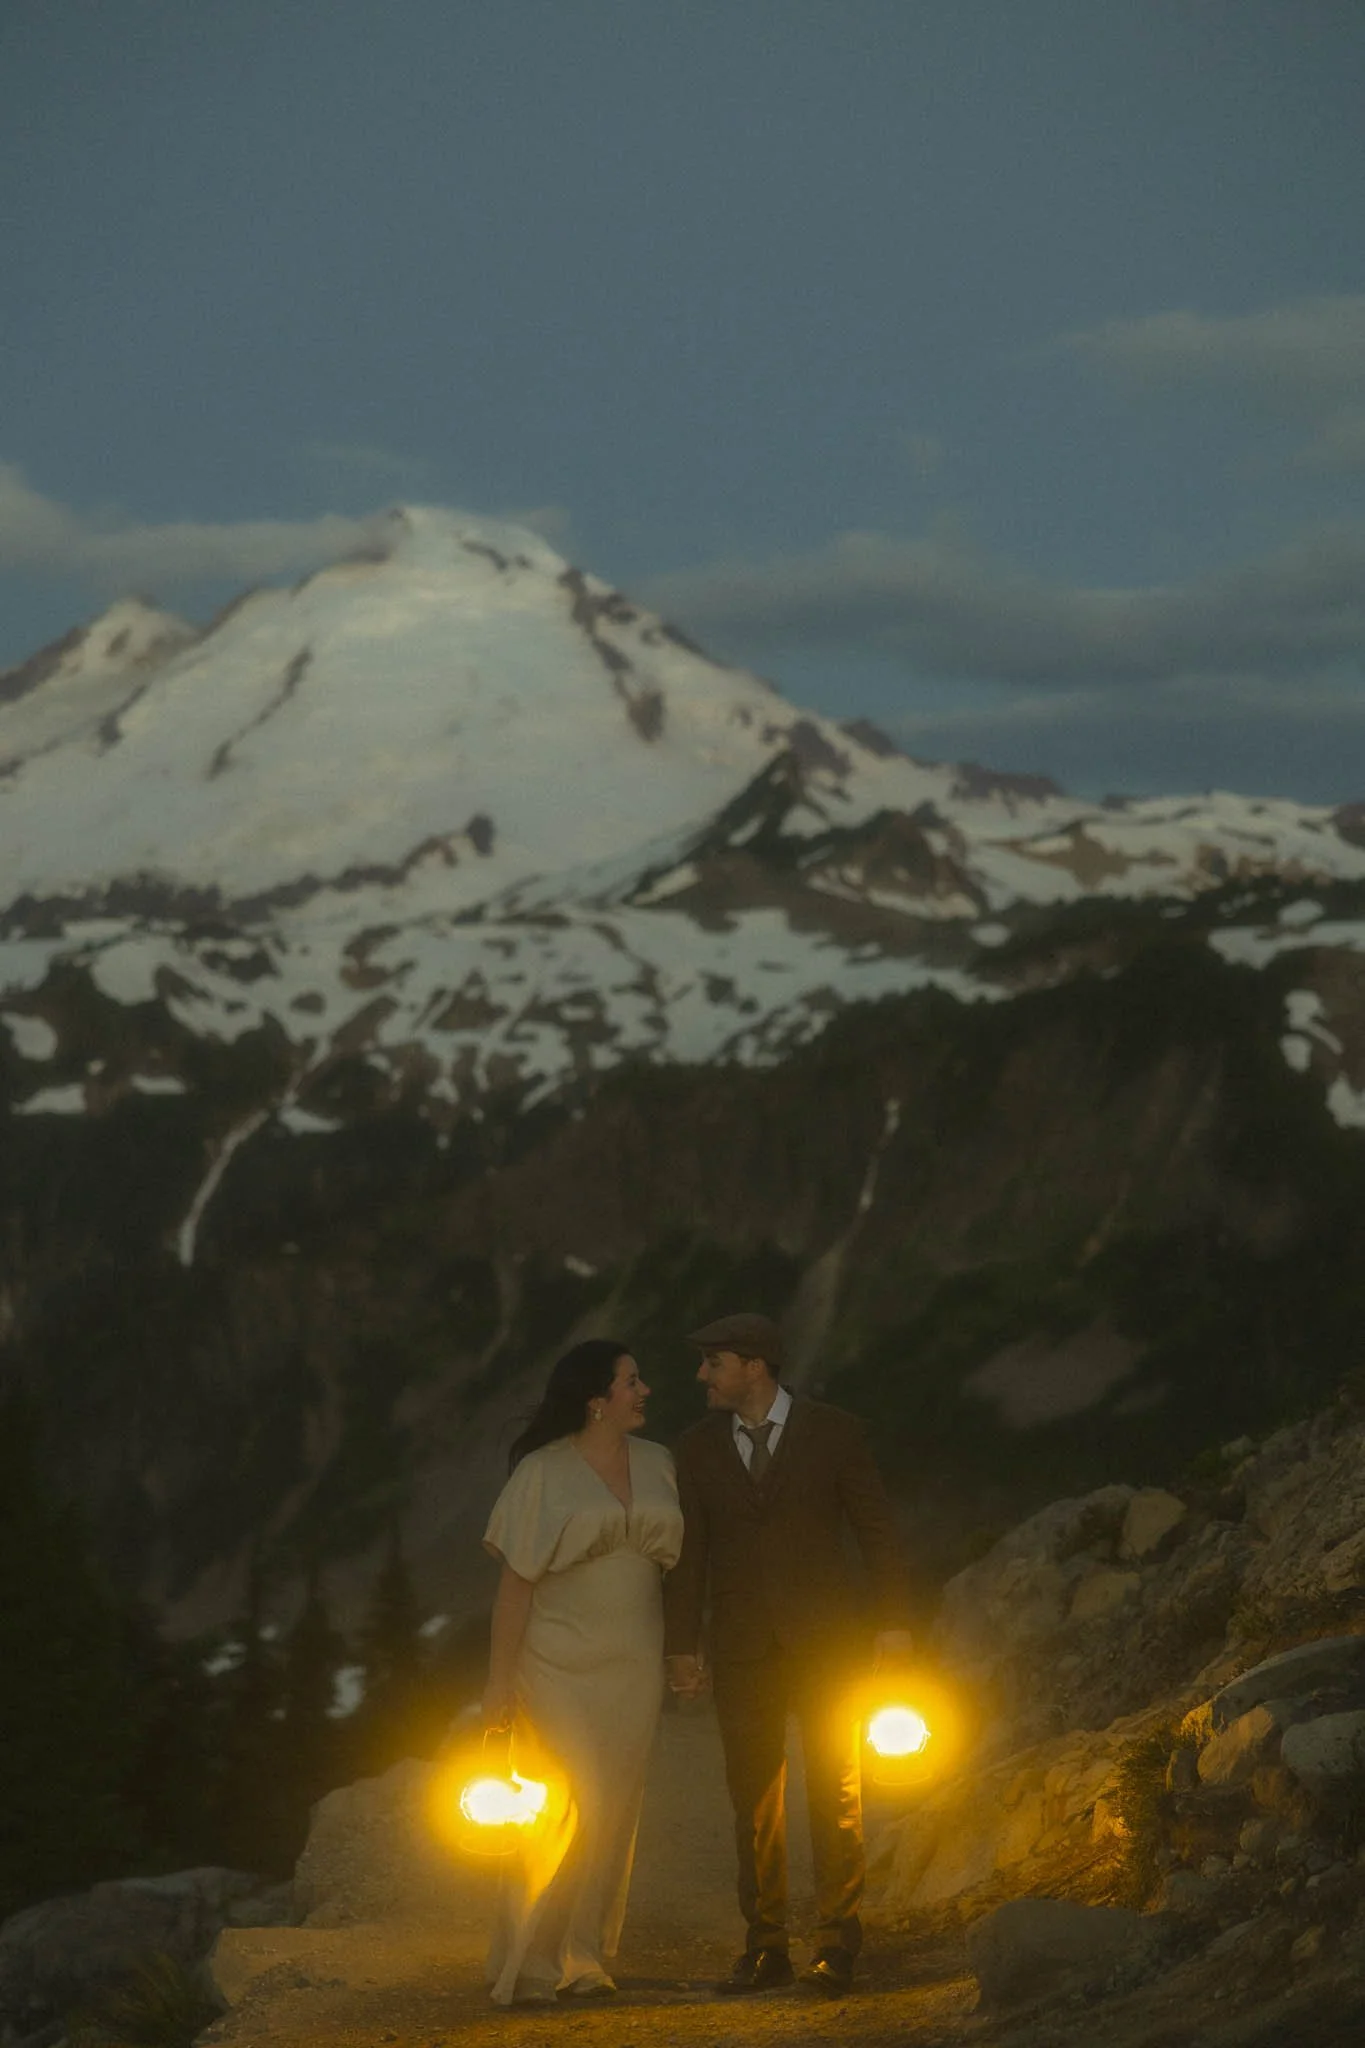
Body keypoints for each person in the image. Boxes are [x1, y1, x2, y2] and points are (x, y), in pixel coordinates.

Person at [663, 1312, 914, 1997]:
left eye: (712, 1363)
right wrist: (681, 1645)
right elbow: (688, 1557)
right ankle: (766, 1947)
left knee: (836, 1789)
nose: (700, 1376)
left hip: (828, 1643)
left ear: (753, 1366)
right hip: (742, 1647)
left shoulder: (834, 1432)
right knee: (752, 1801)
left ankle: (838, 1943)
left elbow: (876, 1531)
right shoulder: (696, 1447)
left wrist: (894, 1626)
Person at [479, 1338, 681, 2006]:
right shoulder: (541, 1472)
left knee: (612, 1814)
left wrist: (687, 1648)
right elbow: (515, 1586)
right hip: (555, 1662)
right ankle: (529, 1960)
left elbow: (677, 1572)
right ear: (597, 1401)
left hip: (634, 1663)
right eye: (631, 1380)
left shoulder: (659, 1464)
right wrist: (497, 1686)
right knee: (567, 1805)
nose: (644, 1389)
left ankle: (583, 1956)